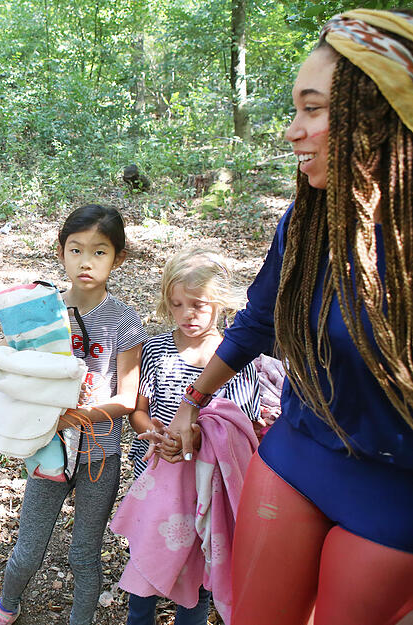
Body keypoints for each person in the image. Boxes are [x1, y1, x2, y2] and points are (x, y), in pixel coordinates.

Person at [163, 9, 413, 625]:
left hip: (394, 494)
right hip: (298, 455)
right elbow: (259, 319)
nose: (292, 131)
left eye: (314, 109)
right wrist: (193, 400)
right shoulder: (308, 224)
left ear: (376, 117)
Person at [0, 204, 146, 625]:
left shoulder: (124, 320)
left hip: (99, 455)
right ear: (61, 252)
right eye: (76, 250)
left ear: (118, 258)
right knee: (30, 545)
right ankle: (6, 605)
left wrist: (76, 416)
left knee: (84, 554)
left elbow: (128, 399)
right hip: (48, 447)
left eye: (99, 252)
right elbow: (23, 377)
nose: (86, 262)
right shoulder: (41, 311)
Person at [123, 247, 260, 625]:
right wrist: (154, 433)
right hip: (154, 486)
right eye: (177, 304)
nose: (187, 314)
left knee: (196, 580)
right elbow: (138, 412)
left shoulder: (235, 358)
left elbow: (239, 424)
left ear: (220, 303)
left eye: (198, 304)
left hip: (205, 491)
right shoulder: (156, 350)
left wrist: (196, 439)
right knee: (144, 571)